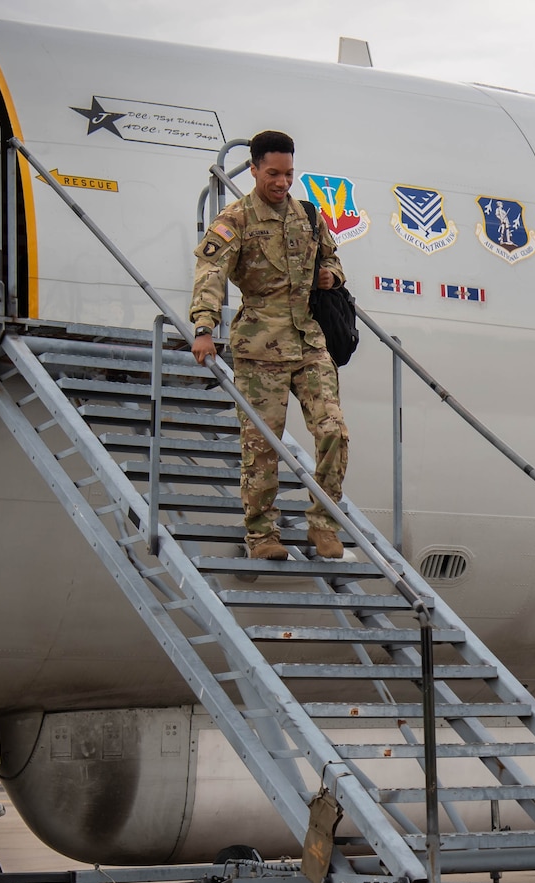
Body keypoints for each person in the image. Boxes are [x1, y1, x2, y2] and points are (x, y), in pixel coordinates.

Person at [189, 129, 350, 561]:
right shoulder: (236, 219)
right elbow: (210, 272)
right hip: (260, 346)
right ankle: (262, 536)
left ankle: (323, 524)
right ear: (256, 169)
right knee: (261, 446)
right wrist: (203, 327)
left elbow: (333, 258)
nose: (282, 182)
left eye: (289, 174)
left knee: (334, 431)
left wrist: (330, 276)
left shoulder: (309, 215)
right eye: (273, 173)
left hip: (309, 341)